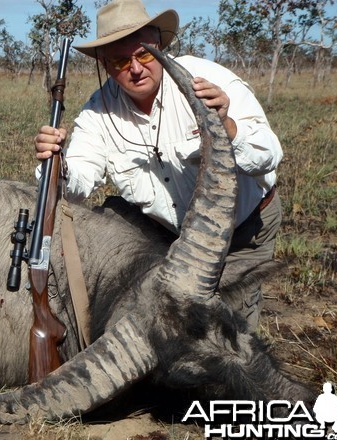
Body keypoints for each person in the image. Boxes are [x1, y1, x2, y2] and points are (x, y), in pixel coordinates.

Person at [34, 0, 283, 331]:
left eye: (145, 54)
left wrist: (228, 127)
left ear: (161, 48)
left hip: (242, 231)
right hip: (170, 238)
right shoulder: (97, 114)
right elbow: (77, 183)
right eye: (121, 60)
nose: (136, 68)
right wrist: (57, 165)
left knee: (230, 337)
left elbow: (268, 154)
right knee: (175, 334)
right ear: (106, 66)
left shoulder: (207, 81)